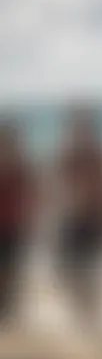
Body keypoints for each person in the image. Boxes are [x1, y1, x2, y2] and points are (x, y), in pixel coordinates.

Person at [55, 107, 102, 334]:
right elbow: (56, 185)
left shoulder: (98, 155)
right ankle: (84, 313)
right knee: (68, 270)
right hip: (71, 219)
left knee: (92, 271)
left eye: (84, 127)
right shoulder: (68, 154)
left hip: (93, 220)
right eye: (77, 128)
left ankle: (91, 317)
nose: (80, 132)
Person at [0, 120, 34, 330]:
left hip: (13, 225)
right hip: (8, 224)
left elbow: (29, 194)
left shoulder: (20, 165)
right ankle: (6, 310)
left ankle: (8, 312)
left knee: (11, 270)